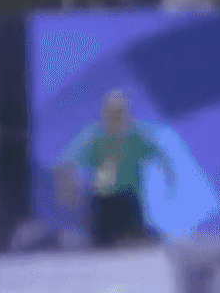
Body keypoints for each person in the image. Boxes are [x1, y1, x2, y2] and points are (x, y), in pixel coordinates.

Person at [58, 90, 176, 249]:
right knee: (101, 240)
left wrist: (170, 181)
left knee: (134, 238)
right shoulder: (95, 136)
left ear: (126, 113)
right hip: (103, 199)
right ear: (104, 114)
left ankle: (133, 234)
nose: (115, 117)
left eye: (119, 112)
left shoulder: (137, 135)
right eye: (111, 112)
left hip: (128, 198)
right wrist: (69, 188)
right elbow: (68, 162)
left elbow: (162, 156)